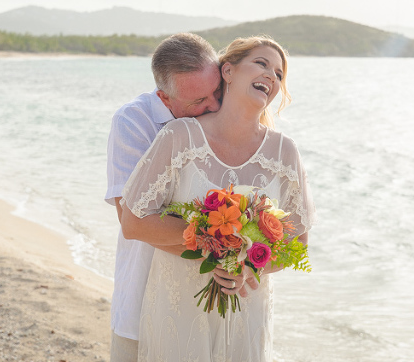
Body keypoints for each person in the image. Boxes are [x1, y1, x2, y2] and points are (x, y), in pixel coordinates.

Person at [120, 36, 316, 362]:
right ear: (228, 70)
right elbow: (133, 222)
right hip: (178, 304)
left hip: (247, 306)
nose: (271, 76)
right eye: (262, 63)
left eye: (279, 74)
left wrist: (250, 267)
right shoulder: (179, 136)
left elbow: (298, 242)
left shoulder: (285, 152)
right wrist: (213, 244)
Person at [106, 33, 224, 362]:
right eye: (198, 101)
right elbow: (134, 222)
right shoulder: (133, 121)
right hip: (143, 292)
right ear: (165, 97)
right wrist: (222, 243)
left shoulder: (222, 111)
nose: (213, 106)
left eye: (215, 92)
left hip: (209, 302)